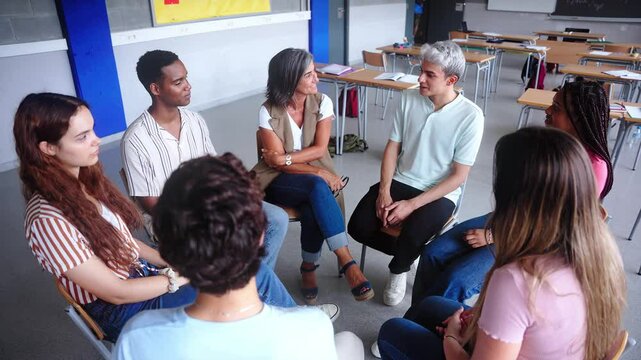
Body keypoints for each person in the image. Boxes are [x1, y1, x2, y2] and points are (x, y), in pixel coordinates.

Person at [14, 92, 296, 342]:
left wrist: (172, 262)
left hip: (145, 278)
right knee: (250, 272)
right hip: (124, 311)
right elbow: (116, 293)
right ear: (48, 149)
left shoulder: (83, 184)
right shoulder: (47, 220)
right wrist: (183, 275)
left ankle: (266, 321)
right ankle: (295, 330)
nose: (97, 140)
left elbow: (126, 243)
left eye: (92, 131)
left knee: (244, 266)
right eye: (82, 137)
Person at [378, 127, 626, 360]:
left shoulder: (515, 281)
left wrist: (452, 338)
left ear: (513, 202)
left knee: (392, 331)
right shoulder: (599, 252)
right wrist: (484, 319)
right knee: (430, 305)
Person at [114, 154, 364, 360]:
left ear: (171, 250)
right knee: (350, 342)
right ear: (261, 235)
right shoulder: (312, 327)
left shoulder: (136, 337)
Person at [410, 80, 614, 307]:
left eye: (556, 109)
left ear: (578, 119)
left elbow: (557, 226)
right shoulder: (556, 143)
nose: (547, 111)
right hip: (512, 218)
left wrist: (494, 236)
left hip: (537, 241)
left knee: (455, 281)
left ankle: (432, 329)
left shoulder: (593, 167)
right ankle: (419, 319)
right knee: (432, 254)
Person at [121, 50, 288, 270]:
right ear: (156, 89)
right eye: (178, 82)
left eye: (186, 78)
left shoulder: (195, 121)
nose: (188, 86)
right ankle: (253, 285)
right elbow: (153, 205)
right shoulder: (136, 139)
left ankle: (253, 285)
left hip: (210, 202)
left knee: (276, 218)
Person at [347, 40, 484, 306]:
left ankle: (399, 268)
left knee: (412, 232)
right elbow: (392, 148)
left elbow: (458, 176)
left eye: (429, 74)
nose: (420, 78)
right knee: (358, 226)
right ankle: (411, 254)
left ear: (451, 80)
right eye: (421, 71)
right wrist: (384, 191)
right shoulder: (409, 98)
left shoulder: (471, 116)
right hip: (402, 179)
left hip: (439, 191)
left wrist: (411, 206)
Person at [252, 48, 373, 304]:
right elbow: (276, 166)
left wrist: (285, 157)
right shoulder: (268, 111)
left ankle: (309, 268)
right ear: (289, 79)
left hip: (304, 177)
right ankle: (346, 261)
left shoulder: (322, 102)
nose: (316, 78)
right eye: (309, 75)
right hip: (276, 180)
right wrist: (315, 168)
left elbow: (319, 149)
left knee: (312, 201)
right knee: (318, 185)